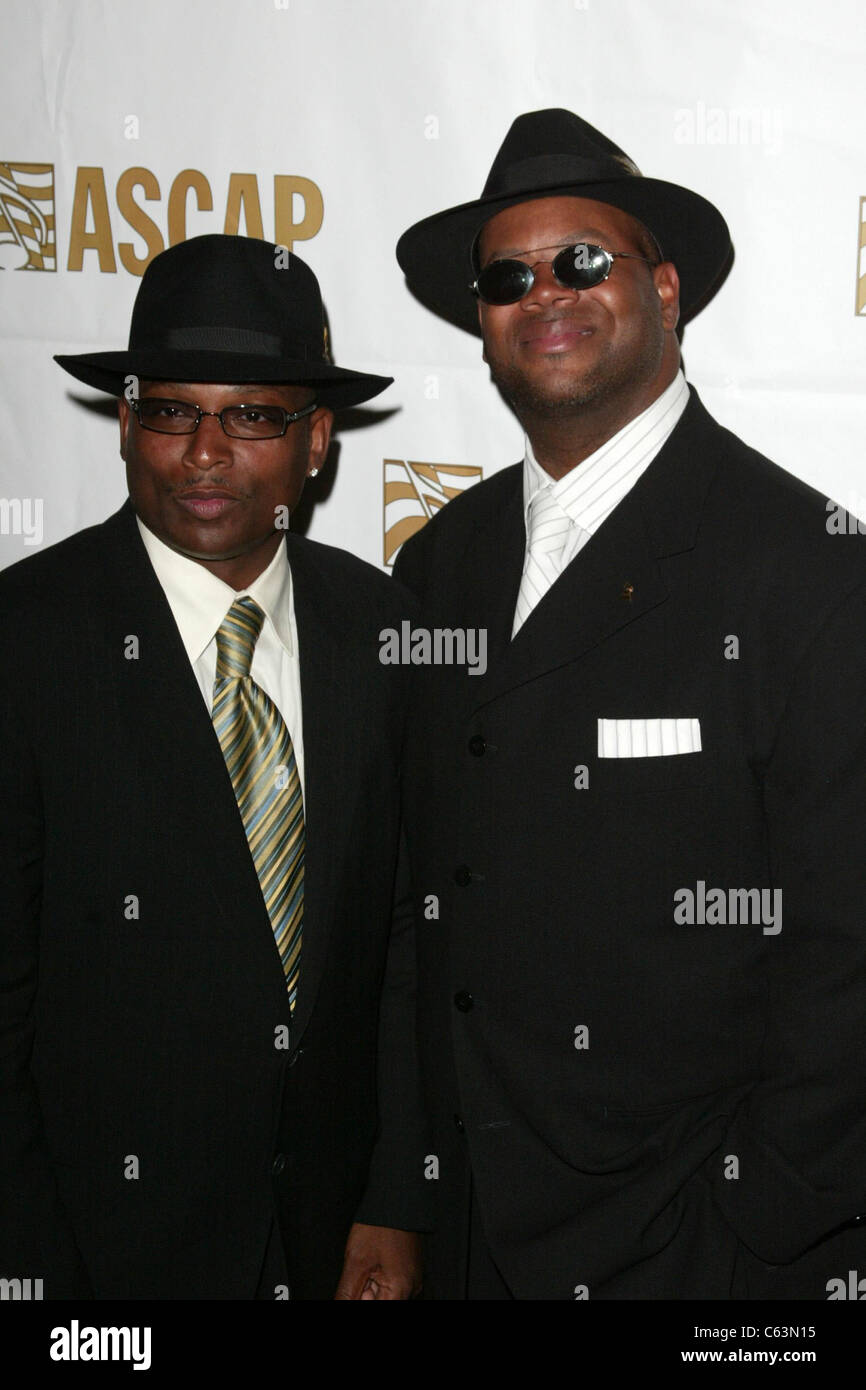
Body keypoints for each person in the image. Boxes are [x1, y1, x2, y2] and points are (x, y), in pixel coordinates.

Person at [393, 108, 866, 1299]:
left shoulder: (809, 565)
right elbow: (413, 895)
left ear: (663, 289)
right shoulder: (436, 564)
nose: (543, 291)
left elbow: (846, 946)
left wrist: (752, 1216)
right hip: (470, 1241)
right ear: (482, 325)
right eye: (507, 276)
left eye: (583, 261)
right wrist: (401, 1192)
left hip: (703, 1253)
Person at [0, 233, 427, 1300]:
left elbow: (404, 948)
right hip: (96, 1259)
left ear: (318, 439)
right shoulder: (26, 642)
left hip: (329, 1237)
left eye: (252, 415)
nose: (201, 452)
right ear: (124, 425)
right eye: (169, 410)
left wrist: (392, 1195)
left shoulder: (380, 629)